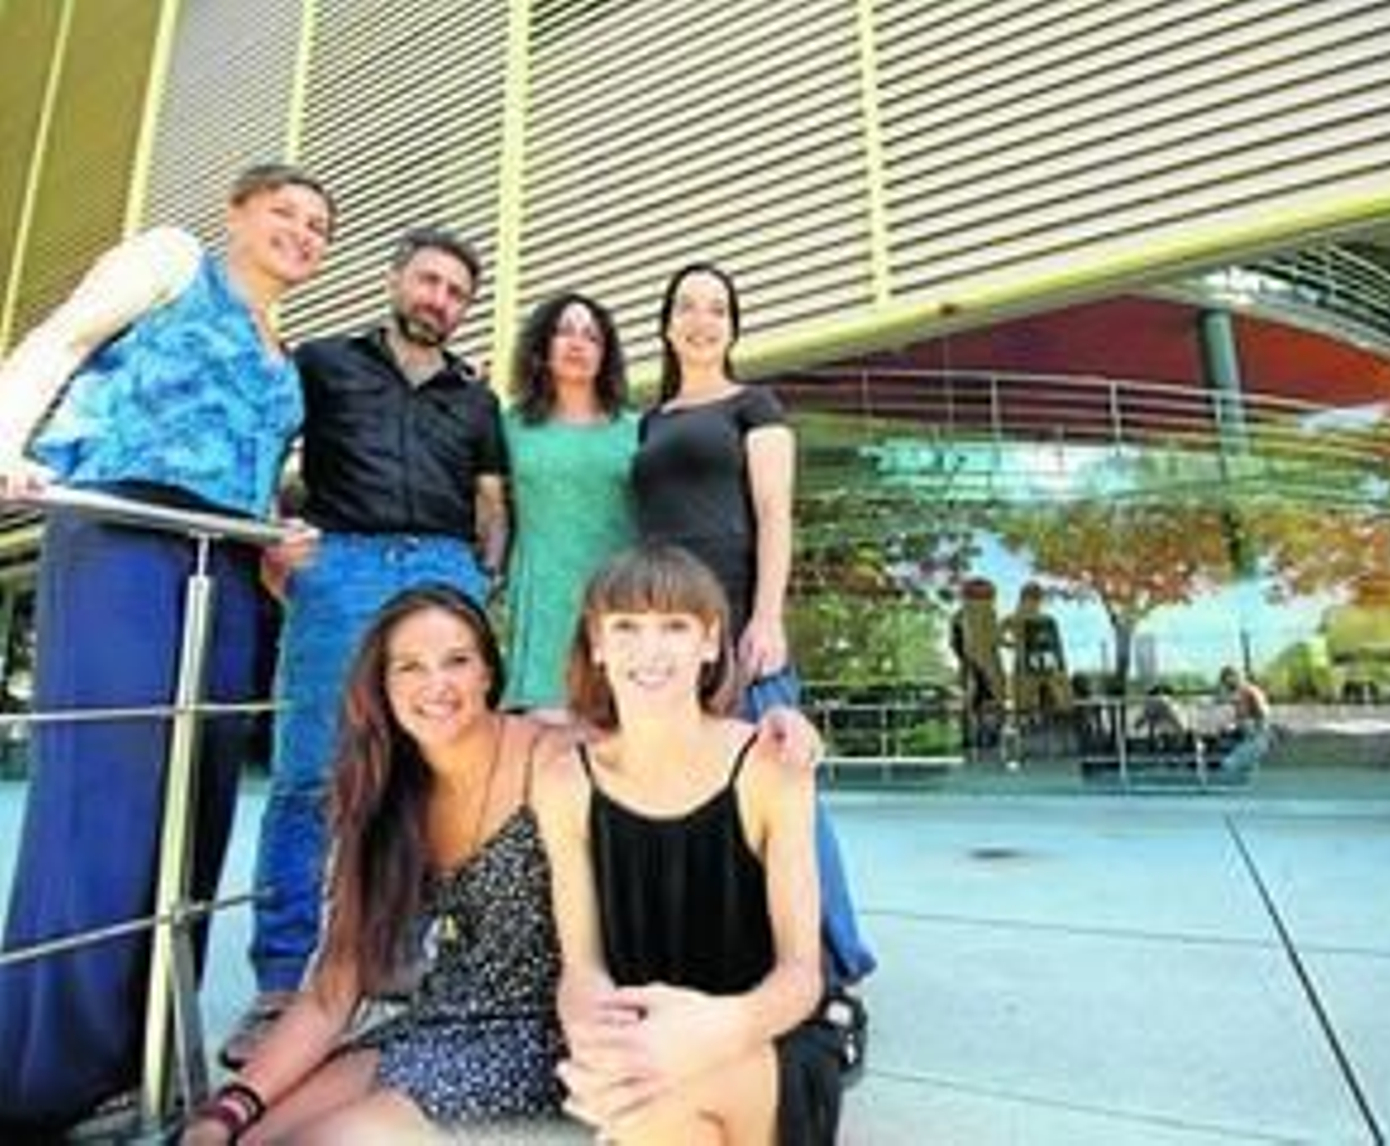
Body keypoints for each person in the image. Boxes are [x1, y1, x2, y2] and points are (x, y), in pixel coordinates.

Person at [0, 163, 333, 1130]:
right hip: (122, 536)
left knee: (198, 802)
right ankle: (44, 1072)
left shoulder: (286, 355)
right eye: (285, 214)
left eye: (318, 227)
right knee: (110, 794)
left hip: (224, 565)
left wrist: (275, 548)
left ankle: (143, 1046)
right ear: (237, 213)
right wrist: (8, 446)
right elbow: (58, 338)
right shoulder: (173, 260)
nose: (302, 235)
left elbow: (250, 468)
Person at [229, 227, 510, 1066]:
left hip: (442, 566)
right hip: (341, 565)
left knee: (434, 772)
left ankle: (401, 957)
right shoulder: (324, 363)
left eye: (457, 292)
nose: (440, 300)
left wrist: (483, 576)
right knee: (311, 773)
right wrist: (267, 539)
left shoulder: (476, 400)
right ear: (397, 280)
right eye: (428, 281)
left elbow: (490, 499)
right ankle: (282, 982)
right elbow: (265, 452)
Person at [183, 585, 565, 1143]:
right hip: (437, 1022)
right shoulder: (385, 792)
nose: (436, 684)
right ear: (382, 687)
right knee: (243, 1137)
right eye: (409, 667)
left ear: (488, 672)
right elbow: (334, 986)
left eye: (457, 661)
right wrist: (230, 1107)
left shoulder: (550, 758)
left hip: (540, 1036)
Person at [540, 545, 846, 1144]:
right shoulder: (563, 781)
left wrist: (710, 1033)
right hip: (644, 1040)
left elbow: (801, 976)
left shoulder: (768, 766)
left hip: (765, 1036)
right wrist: (602, 1035)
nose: (649, 650)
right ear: (596, 644)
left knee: (652, 1116)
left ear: (710, 643)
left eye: (674, 626)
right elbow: (582, 968)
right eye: (625, 626)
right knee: (658, 1117)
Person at [631, 262, 875, 988]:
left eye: (717, 309)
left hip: (739, 622)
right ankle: (742, 952)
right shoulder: (650, 419)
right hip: (668, 635)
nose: (702, 320)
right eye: (687, 306)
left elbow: (773, 514)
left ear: (732, 326)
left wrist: (766, 616)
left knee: (784, 789)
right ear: (667, 322)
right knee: (698, 798)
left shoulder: (755, 406)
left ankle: (832, 959)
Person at [502, 291, 636, 711]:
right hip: (543, 606)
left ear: (606, 355)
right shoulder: (510, 427)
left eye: (591, 337)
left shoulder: (639, 429)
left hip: (620, 600)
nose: (577, 344)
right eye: (564, 332)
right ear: (542, 347)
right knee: (546, 746)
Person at [1000, 581, 1068, 753]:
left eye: (1035, 598)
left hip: (1031, 668)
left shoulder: (1016, 618)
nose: (1035, 602)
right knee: (1040, 708)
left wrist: (1014, 645)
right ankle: (1037, 747)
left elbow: (997, 638)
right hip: (1043, 668)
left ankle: (1026, 749)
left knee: (1027, 708)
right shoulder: (1045, 619)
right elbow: (1057, 649)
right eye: (1035, 598)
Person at [950, 577, 1005, 752]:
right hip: (987, 667)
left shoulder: (958, 615)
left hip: (970, 668)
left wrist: (967, 662)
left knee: (972, 706)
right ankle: (987, 740)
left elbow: (954, 643)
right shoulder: (988, 612)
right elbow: (995, 639)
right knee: (990, 704)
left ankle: (972, 740)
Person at [1217, 664, 1272, 776]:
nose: (1225, 685)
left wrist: (1250, 727)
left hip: (1258, 739)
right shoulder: (1239, 696)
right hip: (1250, 739)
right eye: (1223, 681)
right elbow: (1240, 719)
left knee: (1228, 765)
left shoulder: (1252, 692)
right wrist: (1231, 727)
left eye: (1226, 680)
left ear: (1234, 677)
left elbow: (1264, 716)